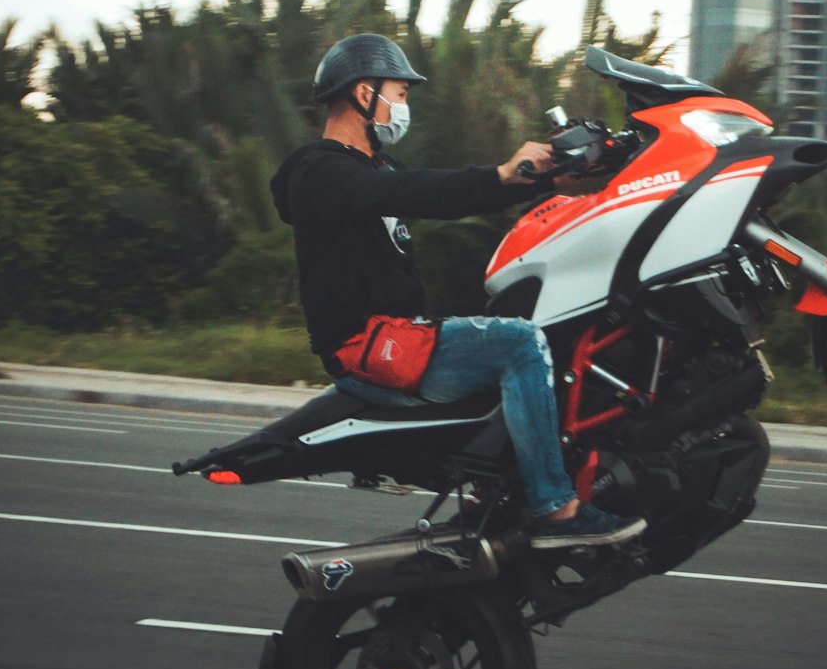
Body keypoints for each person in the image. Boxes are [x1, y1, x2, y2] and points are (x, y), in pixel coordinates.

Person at [269, 33, 644, 549]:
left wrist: (547, 177)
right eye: (400, 93)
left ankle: (500, 490)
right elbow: (424, 192)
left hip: (402, 334)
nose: (406, 106)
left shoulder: (376, 170)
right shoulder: (319, 171)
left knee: (543, 330)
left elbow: (445, 193)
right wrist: (503, 172)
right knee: (519, 343)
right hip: (372, 343)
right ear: (363, 95)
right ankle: (556, 508)